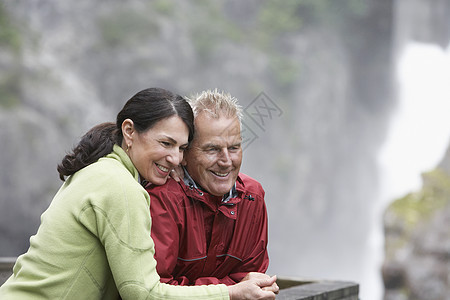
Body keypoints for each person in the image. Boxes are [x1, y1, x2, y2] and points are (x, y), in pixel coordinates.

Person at [0, 88, 278, 299]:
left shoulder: (102, 171)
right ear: (129, 132)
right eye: (166, 143)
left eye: (180, 148)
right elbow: (143, 293)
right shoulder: (121, 187)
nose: (173, 158)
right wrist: (231, 292)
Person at [147, 89, 272, 286]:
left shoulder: (252, 197)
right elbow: (156, 289)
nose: (226, 161)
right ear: (184, 155)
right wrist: (233, 290)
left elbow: (254, 282)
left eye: (233, 148)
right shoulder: (162, 199)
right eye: (212, 149)